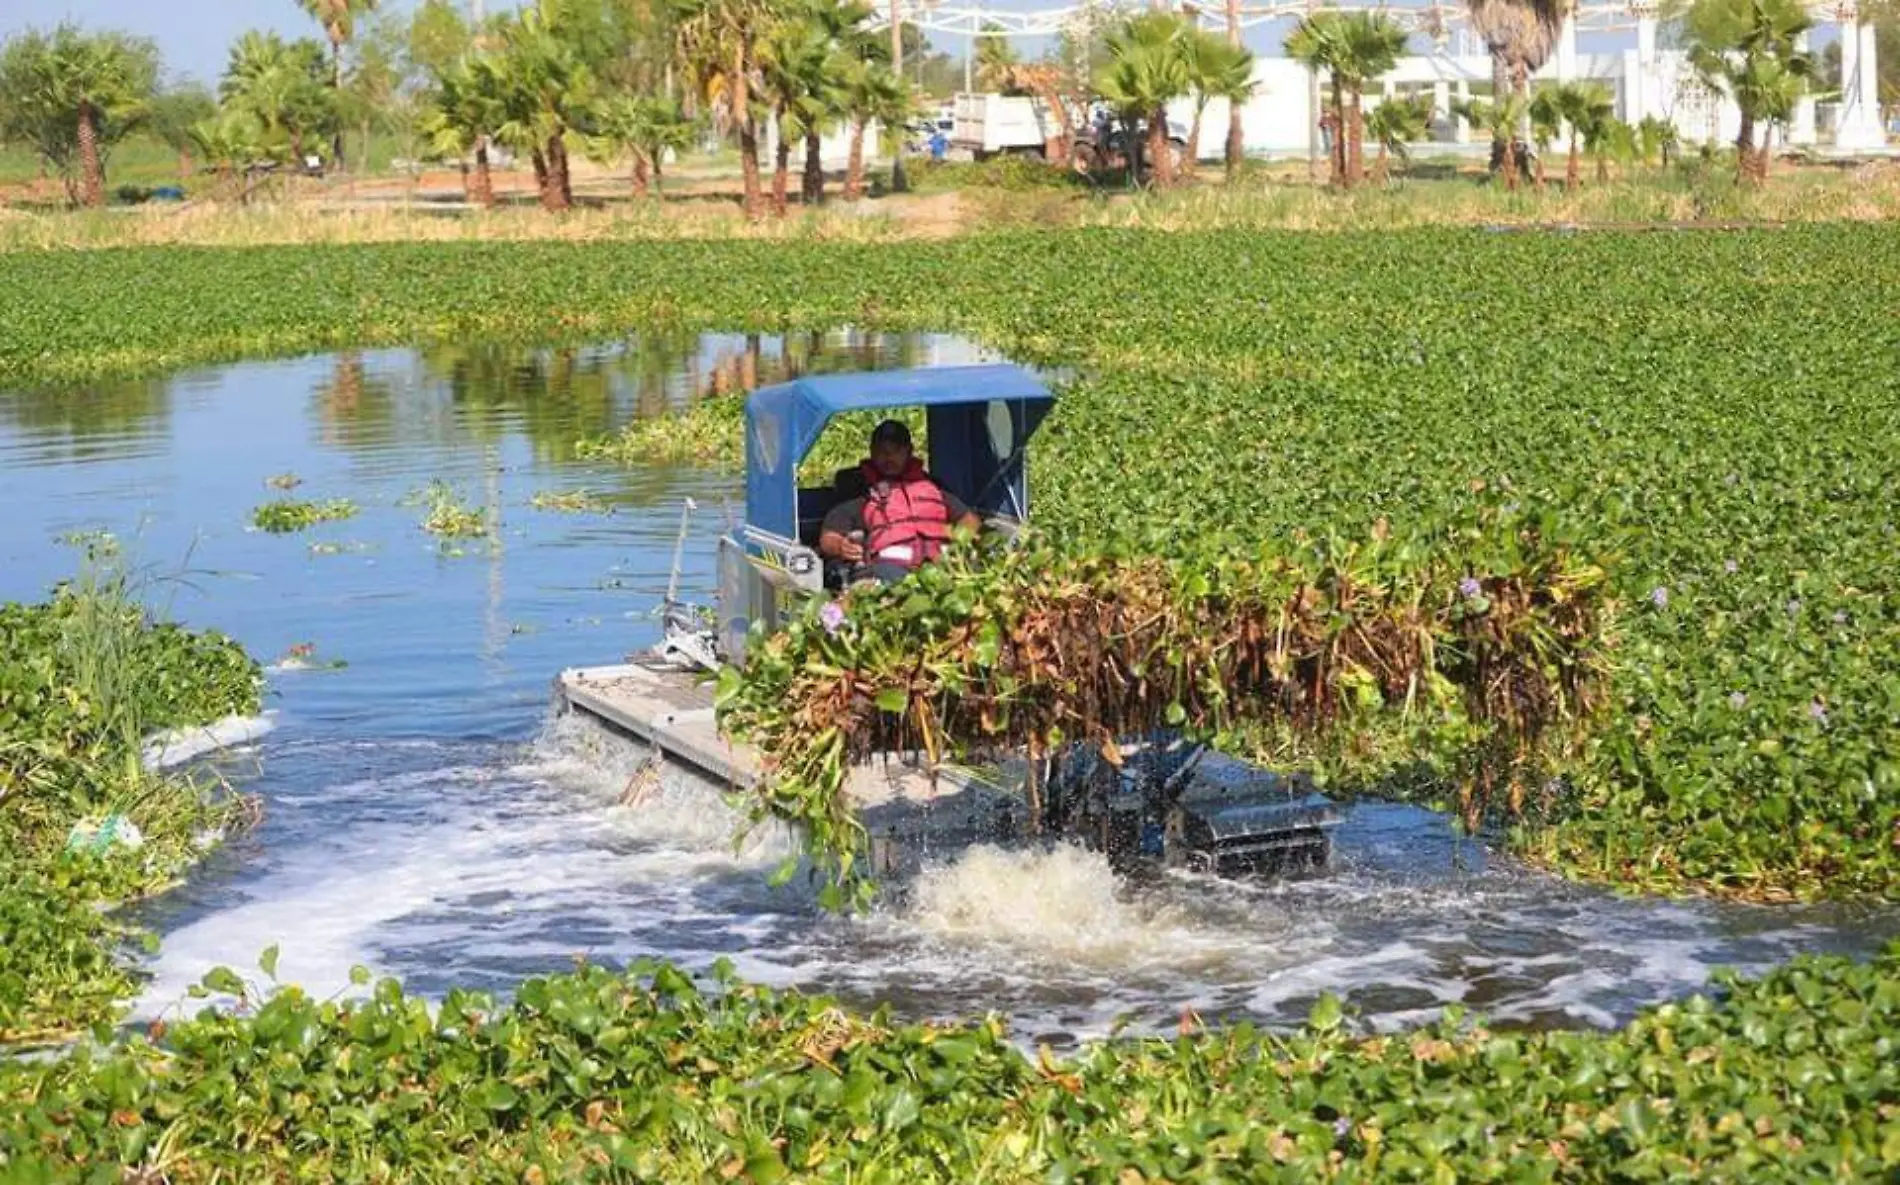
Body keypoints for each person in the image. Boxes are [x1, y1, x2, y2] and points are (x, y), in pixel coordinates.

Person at [818, 419, 982, 585]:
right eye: (882, 451)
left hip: (941, 563)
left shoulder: (932, 488)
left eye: (896, 450)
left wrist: (959, 546)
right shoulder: (861, 493)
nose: (888, 457)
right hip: (888, 567)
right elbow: (829, 537)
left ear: (909, 451)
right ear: (872, 453)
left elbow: (970, 520)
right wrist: (841, 546)